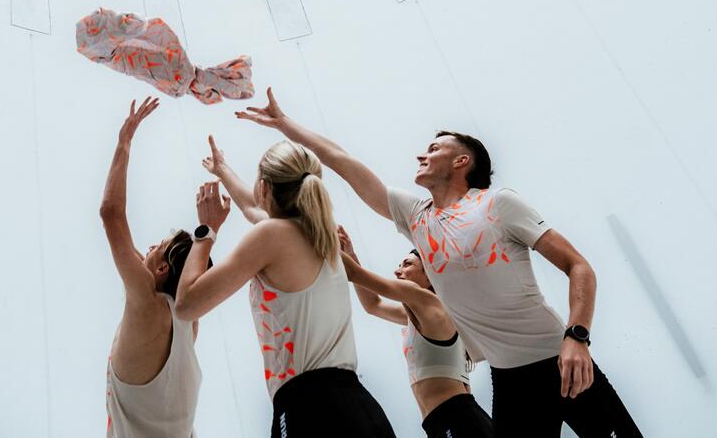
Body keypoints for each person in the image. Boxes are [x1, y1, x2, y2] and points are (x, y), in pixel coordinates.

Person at [236, 88, 642, 437]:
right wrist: (285, 124)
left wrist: (577, 337)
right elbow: (342, 161)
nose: (421, 154)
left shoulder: (497, 203)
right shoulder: (417, 217)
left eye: (434, 148)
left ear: (462, 161)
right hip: (509, 382)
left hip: (559, 360)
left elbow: (579, 266)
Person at [174, 137, 395, 438]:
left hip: (312, 409)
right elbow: (252, 208)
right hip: (356, 404)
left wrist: (206, 230)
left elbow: (187, 305)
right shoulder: (319, 235)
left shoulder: (272, 236)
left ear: (264, 187)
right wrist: (222, 170)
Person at [99, 97, 208, 438]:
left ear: (161, 270)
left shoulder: (148, 303)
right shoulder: (189, 323)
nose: (145, 247)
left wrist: (124, 142)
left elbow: (111, 214)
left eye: (156, 246)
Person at [337, 227, 494, 438]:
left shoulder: (430, 304)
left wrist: (318, 232)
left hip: (458, 418)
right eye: (399, 265)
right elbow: (373, 305)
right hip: (441, 421)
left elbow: (355, 274)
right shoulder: (421, 314)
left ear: (429, 276)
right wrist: (351, 254)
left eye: (407, 264)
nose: (397, 270)